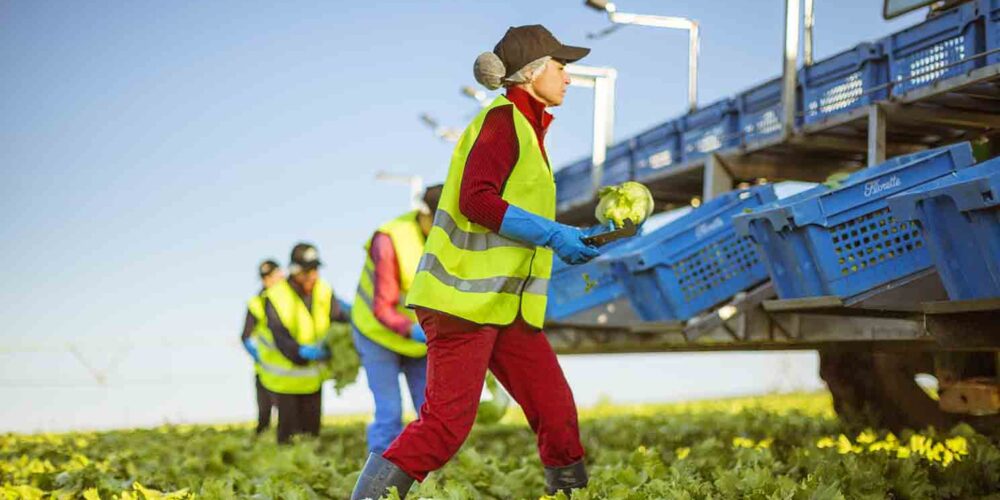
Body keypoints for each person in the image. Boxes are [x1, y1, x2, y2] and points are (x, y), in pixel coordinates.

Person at [352, 25, 609, 498]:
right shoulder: (503, 120)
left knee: (555, 409)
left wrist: (563, 238)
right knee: (446, 427)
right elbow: (476, 200)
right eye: (561, 67)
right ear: (532, 73)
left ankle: (572, 492)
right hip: (462, 303)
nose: (569, 78)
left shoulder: (528, 128)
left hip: (504, 307)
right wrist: (553, 234)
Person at [350, 185, 443, 455]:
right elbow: (382, 307)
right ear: (424, 213)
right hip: (377, 334)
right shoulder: (390, 240)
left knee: (430, 412)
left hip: (418, 339)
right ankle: (378, 483)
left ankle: (425, 475)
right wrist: (412, 329)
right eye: (437, 222)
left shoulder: (451, 238)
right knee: (389, 412)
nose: (444, 230)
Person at [256, 243, 350, 444]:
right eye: (307, 271)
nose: (313, 275)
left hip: (312, 380)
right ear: (294, 270)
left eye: (315, 269)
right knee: (288, 438)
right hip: (286, 381)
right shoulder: (275, 296)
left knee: (312, 435)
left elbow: (338, 316)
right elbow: (279, 336)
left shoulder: (324, 290)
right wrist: (302, 352)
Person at [240, 259, 284, 435]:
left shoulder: (293, 299)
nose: (268, 281)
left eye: (271, 276)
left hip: (290, 369)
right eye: (264, 277)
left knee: (288, 417)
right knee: (264, 416)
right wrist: (258, 355)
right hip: (266, 371)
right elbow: (245, 337)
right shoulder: (256, 303)